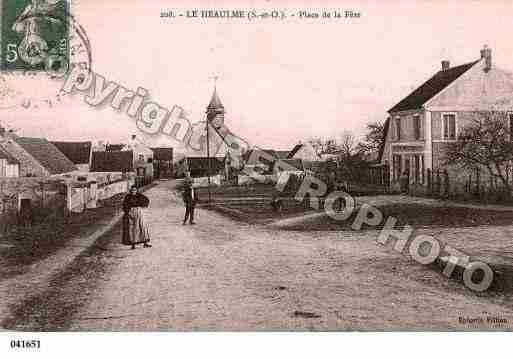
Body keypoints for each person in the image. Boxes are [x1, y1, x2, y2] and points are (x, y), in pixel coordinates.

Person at [122, 185, 152, 249]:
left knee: (142, 226)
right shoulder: (128, 197)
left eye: (135, 190)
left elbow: (146, 200)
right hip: (131, 213)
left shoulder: (139, 196)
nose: (133, 191)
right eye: (132, 190)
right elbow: (124, 205)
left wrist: (143, 206)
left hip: (139, 212)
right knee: (133, 228)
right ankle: (133, 244)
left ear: (137, 190)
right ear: (131, 190)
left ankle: (145, 243)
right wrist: (128, 211)